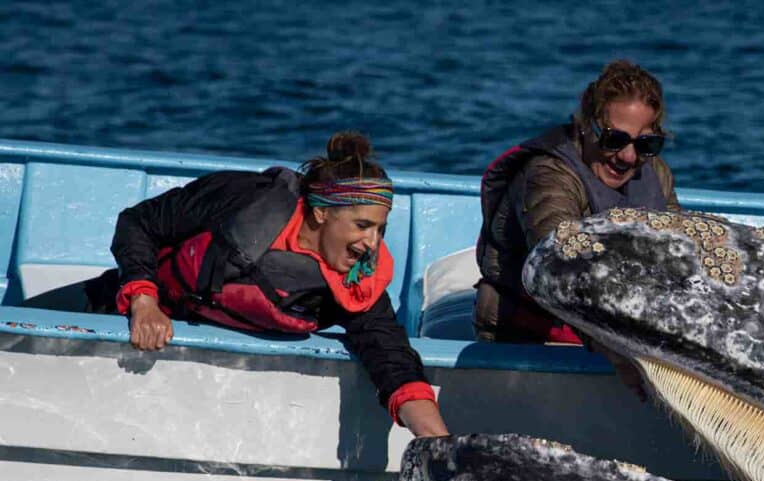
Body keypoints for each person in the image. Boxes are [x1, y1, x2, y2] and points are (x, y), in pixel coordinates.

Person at [97, 131, 449, 437]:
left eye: (380, 229)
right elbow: (138, 223)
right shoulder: (243, 198)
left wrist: (434, 439)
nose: (372, 242)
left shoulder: (355, 282)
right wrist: (144, 301)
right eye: (361, 226)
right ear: (322, 212)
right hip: (116, 306)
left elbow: (392, 357)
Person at [475, 59, 682, 346]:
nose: (629, 157)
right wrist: (616, 352)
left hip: (623, 329)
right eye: (615, 139)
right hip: (532, 332)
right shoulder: (548, 175)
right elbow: (558, 265)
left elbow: (681, 252)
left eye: (646, 144)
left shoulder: (656, 174)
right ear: (586, 126)